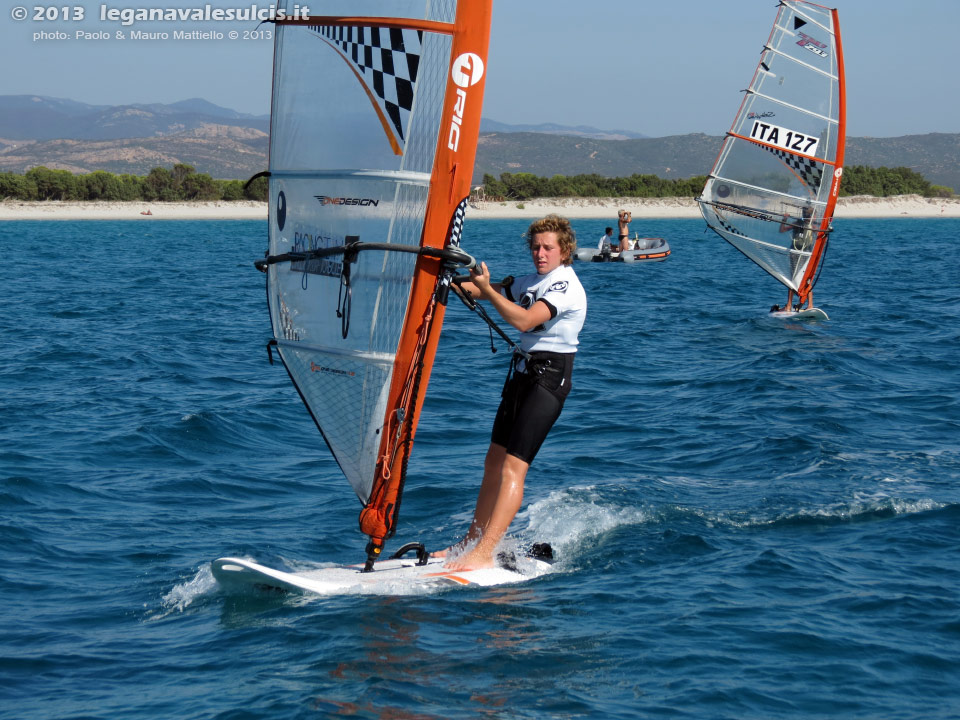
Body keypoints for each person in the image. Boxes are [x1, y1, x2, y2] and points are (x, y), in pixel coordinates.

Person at [438, 215, 587, 571]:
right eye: (535, 246)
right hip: (522, 375)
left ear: (564, 250)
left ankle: (484, 551)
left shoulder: (565, 286)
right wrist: (443, 278)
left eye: (547, 247)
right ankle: (472, 540)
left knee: (512, 469)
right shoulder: (531, 281)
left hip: (548, 381)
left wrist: (488, 291)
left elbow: (524, 320)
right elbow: (480, 289)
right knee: (493, 462)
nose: (540, 253)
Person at [777, 204, 815, 311]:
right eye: (806, 214)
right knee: (793, 279)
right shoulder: (797, 223)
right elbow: (782, 230)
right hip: (795, 254)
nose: (807, 216)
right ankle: (789, 305)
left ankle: (810, 305)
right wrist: (784, 219)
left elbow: (821, 235)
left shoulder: (813, 225)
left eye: (809, 215)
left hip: (806, 254)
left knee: (807, 279)